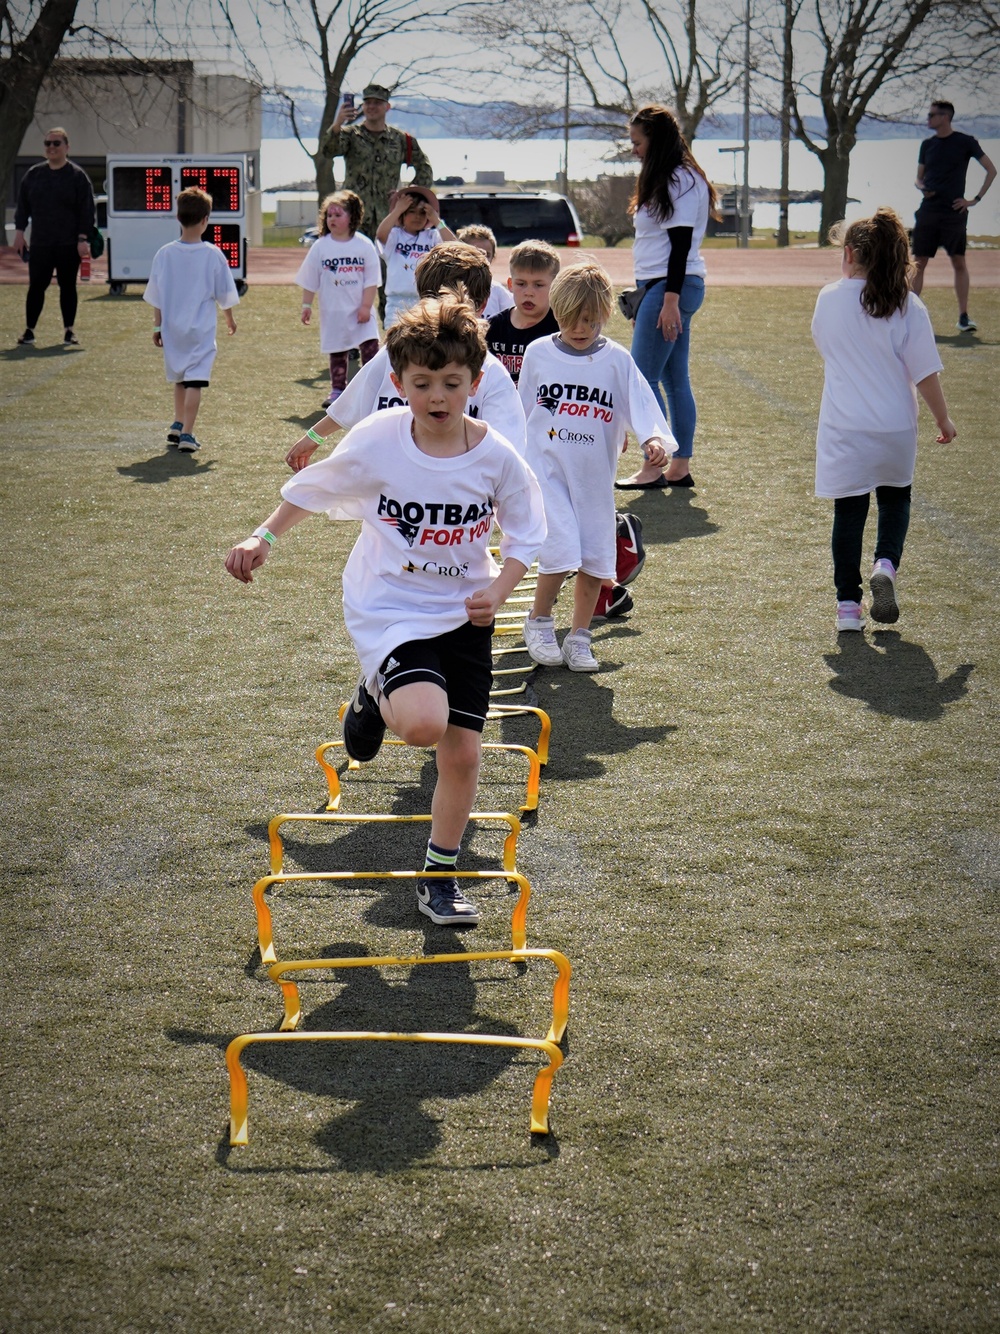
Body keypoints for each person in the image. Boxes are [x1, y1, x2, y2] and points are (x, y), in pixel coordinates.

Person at [225, 294, 546, 927]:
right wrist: (261, 537)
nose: (437, 396)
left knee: (462, 756)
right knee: (424, 725)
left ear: (474, 383)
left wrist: (499, 591)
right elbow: (314, 488)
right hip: (391, 605)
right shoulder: (379, 440)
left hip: (464, 614)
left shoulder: (497, 456)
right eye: (421, 383)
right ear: (397, 383)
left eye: (451, 383)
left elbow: (529, 536)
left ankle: (440, 876)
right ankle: (377, 692)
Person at [518, 261, 675, 672]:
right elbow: (520, 413)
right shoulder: (538, 354)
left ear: (605, 314)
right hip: (548, 472)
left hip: (593, 478)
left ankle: (579, 637)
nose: (580, 328)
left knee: (595, 557)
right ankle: (538, 621)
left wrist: (653, 438)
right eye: (571, 319)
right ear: (556, 311)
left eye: (589, 320)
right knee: (561, 545)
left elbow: (641, 404)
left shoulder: (616, 360)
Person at [812, 208, 956, 633]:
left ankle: (847, 609)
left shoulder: (829, 298)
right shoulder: (909, 306)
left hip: (845, 428)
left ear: (852, 253)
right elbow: (925, 372)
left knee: (849, 512)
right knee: (895, 501)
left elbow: (825, 344)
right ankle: (886, 565)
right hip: (895, 428)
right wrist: (944, 420)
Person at [284, 243, 526, 470]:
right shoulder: (396, 352)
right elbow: (356, 397)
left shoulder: (489, 372)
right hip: (393, 490)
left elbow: (506, 449)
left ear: (481, 305)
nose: (442, 315)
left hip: (456, 498)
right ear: (422, 301)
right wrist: (314, 436)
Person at [615, 104, 717, 491]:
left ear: (655, 139)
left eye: (638, 142)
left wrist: (669, 299)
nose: (634, 149)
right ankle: (679, 466)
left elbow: (680, 245)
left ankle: (653, 466)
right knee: (674, 380)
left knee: (641, 379)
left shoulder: (679, 177)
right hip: (664, 288)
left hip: (670, 287)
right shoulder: (675, 176)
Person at [144, 186, 239, 453]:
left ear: (178, 217)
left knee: (179, 377)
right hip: (200, 331)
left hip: (172, 328)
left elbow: (157, 295)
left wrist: (157, 325)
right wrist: (230, 320)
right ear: (205, 220)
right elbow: (225, 293)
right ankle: (187, 433)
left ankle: (177, 422)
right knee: (195, 380)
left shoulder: (164, 253)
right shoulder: (212, 254)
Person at [911, 100, 996, 332]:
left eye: (931, 115)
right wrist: (921, 186)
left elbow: (992, 170)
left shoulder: (965, 142)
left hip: (954, 212)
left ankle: (963, 317)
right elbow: (919, 177)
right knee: (919, 262)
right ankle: (908, 315)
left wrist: (974, 200)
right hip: (928, 210)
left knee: (958, 261)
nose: (928, 119)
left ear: (945, 117)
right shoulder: (927, 145)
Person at [296, 190, 380, 408]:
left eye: (338, 214)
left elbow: (372, 280)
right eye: (329, 215)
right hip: (333, 311)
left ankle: (373, 388)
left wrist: (365, 306)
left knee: (370, 349)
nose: (332, 219)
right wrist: (307, 305)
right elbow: (310, 279)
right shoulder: (321, 246)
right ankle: (338, 391)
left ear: (351, 217)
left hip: (361, 311)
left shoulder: (364, 245)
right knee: (337, 352)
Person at [13, 127, 95, 347]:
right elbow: (23, 207)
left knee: (68, 286)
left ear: (66, 147)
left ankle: (69, 331)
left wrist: (82, 239)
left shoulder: (77, 177)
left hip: (68, 244)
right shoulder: (33, 175)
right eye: (47, 144)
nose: (51, 148)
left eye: (56, 144)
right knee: (36, 286)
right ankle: (29, 331)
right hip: (41, 243)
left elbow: (86, 210)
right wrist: (19, 232)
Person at [321, 83, 433, 243]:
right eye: (368, 102)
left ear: (387, 107)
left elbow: (424, 168)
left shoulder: (401, 140)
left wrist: (408, 197)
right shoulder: (350, 135)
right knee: (354, 263)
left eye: (377, 103)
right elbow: (328, 151)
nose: (372, 107)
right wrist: (338, 123)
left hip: (388, 217)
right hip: (354, 216)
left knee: (386, 264)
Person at [376, 185, 455, 328]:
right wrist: (397, 209)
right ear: (402, 215)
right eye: (411, 212)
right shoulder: (395, 235)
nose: (417, 217)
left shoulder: (433, 236)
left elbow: (454, 246)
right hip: (397, 302)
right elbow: (380, 235)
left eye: (422, 213)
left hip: (427, 301)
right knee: (396, 345)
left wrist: (437, 220)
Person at [486, 239, 561, 387]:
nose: (528, 292)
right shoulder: (492, 328)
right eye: (521, 284)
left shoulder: (560, 329)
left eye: (538, 285)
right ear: (510, 284)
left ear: (555, 287)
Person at [455, 225, 514, 319]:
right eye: (475, 253)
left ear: (493, 257)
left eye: (487, 255)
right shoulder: (451, 289)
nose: (482, 259)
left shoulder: (497, 291)